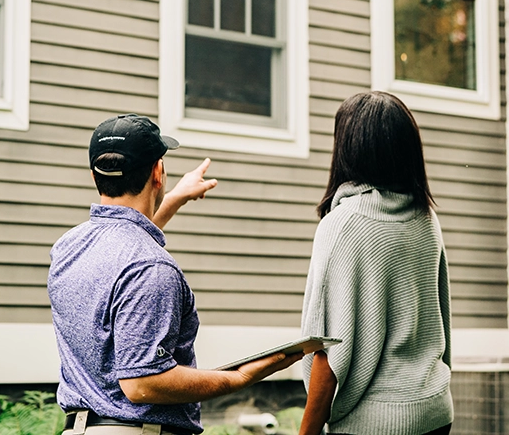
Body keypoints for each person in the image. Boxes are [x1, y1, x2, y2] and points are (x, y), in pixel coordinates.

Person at [48, 113, 303, 435]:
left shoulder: (69, 246)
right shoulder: (150, 267)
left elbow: (125, 248)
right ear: (158, 171)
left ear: (94, 175)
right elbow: (142, 384)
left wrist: (174, 199)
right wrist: (238, 378)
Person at [299, 91, 453, 435]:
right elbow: (442, 319)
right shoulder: (426, 219)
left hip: (373, 423)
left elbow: (326, 352)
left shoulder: (341, 226)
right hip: (435, 411)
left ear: (348, 148)